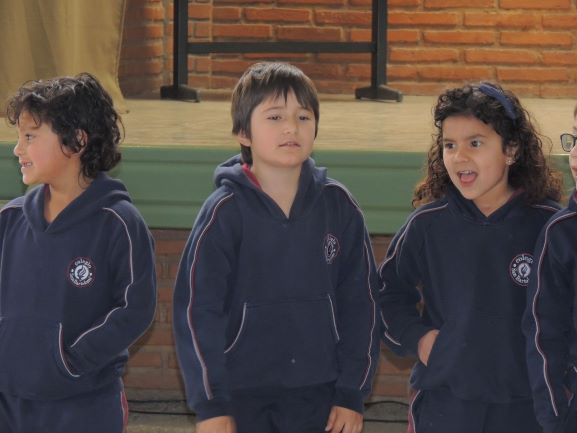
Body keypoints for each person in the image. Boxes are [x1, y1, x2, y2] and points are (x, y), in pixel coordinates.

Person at [173, 62, 379, 433]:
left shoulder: (339, 207)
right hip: (241, 394)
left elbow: (361, 304)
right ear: (243, 132)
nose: (291, 128)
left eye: (303, 116)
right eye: (274, 117)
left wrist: (351, 392)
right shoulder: (224, 212)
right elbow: (198, 312)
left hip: (321, 393)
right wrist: (211, 404)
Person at [379, 82, 563, 433]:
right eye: (450, 145)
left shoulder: (549, 226)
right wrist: (420, 339)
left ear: (511, 150)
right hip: (445, 405)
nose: (459, 156)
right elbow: (386, 294)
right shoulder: (427, 224)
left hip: (527, 408)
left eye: (475, 143)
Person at [0, 73, 157, 433]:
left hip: (84, 405)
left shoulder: (119, 223)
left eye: (30, 136)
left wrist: (71, 362)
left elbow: (136, 308)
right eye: (18, 137)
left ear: (76, 141)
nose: (17, 149)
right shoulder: (9, 220)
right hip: (9, 404)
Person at [522, 114, 577, 433]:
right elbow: (544, 333)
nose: (575, 153)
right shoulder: (561, 234)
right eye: (575, 138)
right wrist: (554, 418)